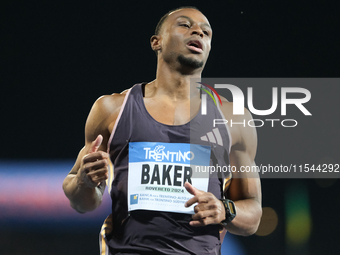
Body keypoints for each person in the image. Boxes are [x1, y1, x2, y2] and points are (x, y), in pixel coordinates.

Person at [63, 6, 262, 255]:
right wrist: (84, 181)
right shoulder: (112, 109)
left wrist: (225, 209)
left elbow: (253, 215)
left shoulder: (233, 119)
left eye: (206, 32)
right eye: (185, 25)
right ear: (156, 42)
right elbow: (82, 202)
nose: (198, 32)